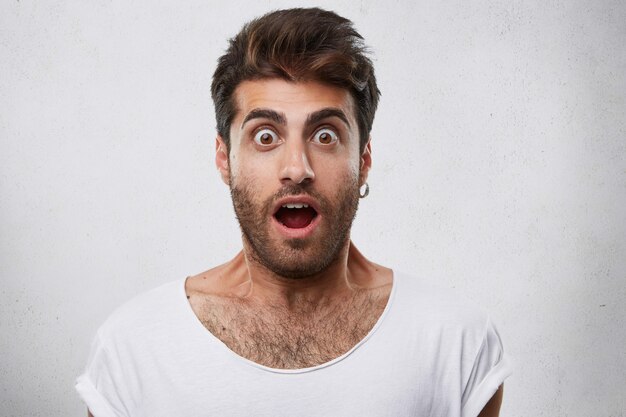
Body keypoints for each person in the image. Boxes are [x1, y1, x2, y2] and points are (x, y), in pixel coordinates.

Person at [76, 7, 511, 417]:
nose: (296, 169)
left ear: (363, 160)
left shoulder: (456, 343)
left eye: (325, 135)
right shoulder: (134, 348)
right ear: (224, 159)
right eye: (265, 136)